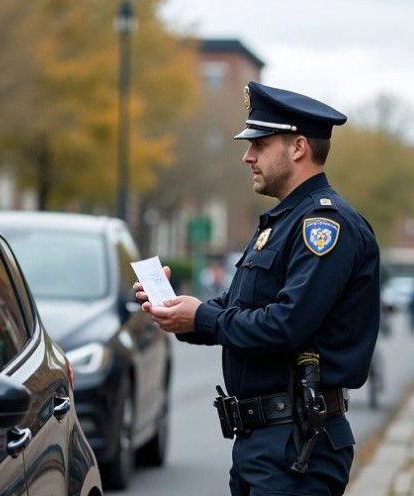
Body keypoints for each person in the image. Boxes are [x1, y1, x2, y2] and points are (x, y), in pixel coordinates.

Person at [135, 81, 379, 495]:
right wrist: (179, 313)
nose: (248, 156)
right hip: (264, 444)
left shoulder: (323, 225)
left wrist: (203, 318)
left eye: (260, 145)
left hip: (298, 443)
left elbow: (287, 323)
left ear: (298, 147)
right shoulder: (282, 223)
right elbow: (237, 308)